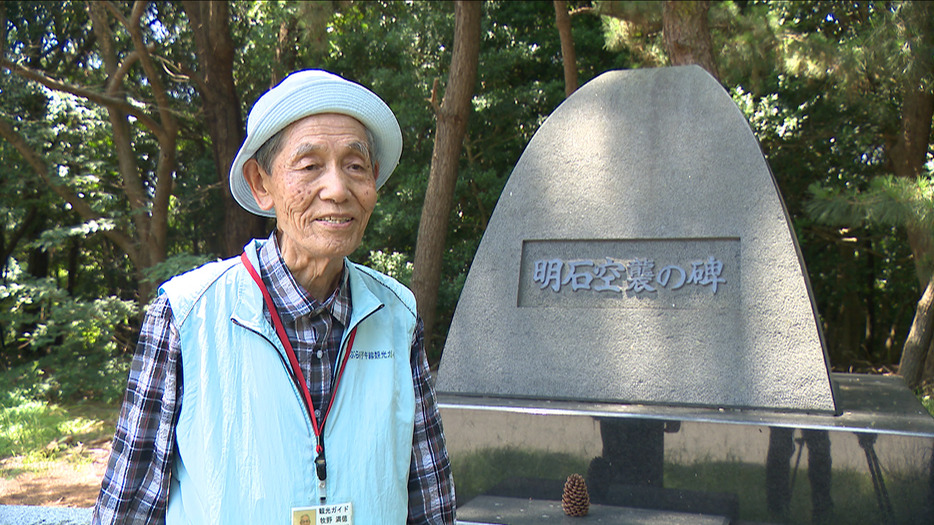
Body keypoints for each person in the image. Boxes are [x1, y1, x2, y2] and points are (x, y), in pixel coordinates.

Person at [93, 69, 456, 524]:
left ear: (373, 183)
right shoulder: (186, 316)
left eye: (355, 166)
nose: (337, 189)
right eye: (309, 166)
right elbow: (127, 511)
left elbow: (431, 504)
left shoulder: (398, 317)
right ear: (262, 183)